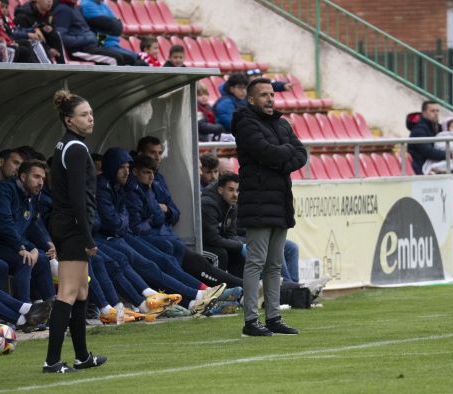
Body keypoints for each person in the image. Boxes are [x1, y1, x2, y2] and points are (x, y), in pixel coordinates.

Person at [95, 147, 225, 314]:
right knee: (147, 263)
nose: (126, 172)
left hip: (125, 234)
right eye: (122, 167)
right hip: (113, 237)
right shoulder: (107, 187)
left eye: (128, 168)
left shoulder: (122, 186)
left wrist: (127, 221)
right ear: (112, 167)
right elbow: (116, 221)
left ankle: (198, 296)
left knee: (165, 258)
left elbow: (164, 214)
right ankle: (196, 295)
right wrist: (127, 221)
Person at [233, 77, 307, 336]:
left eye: (272, 95)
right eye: (263, 95)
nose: (269, 99)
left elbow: (301, 155)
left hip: (280, 201)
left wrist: (280, 157)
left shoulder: (281, 123)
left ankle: (273, 316)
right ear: (251, 99)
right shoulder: (245, 123)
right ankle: (251, 321)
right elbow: (267, 152)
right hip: (257, 201)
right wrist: (283, 155)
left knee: (274, 264)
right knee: (256, 262)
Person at [43, 89, 106, 373]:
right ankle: (52, 361)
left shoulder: (67, 145)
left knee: (81, 292)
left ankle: (82, 357)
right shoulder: (77, 148)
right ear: (69, 120)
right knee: (67, 293)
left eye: (91, 113)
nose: (90, 118)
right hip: (72, 228)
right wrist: (88, 238)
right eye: (84, 114)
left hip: (67, 225)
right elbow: (79, 199)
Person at [125, 155, 243, 289]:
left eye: (153, 173)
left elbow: (174, 213)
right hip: (160, 240)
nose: (151, 177)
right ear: (135, 172)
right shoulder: (133, 192)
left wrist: (163, 213)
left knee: (197, 262)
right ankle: (222, 291)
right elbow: (137, 226)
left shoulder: (152, 187)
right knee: (203, 261)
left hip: (167, 237)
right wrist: (157, 216)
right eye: (147, 172)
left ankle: (240, 288)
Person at [0, 160, 56, 304]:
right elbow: (4, 222)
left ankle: (51, 308)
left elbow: (32, 225)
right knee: (24, 260)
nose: (41, 183)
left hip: (8, 244)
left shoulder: (30, 196)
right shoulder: (4, 190)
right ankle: (23, 312)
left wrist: (47, 245)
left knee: (42, 258)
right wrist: (21, 247)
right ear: (23, 177)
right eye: (36, 177)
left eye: (43, 179)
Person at [52, 0, 130, 65]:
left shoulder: (75, 8)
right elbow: (61, 37)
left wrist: (91, 38)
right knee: (115, 59)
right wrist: (87, 39)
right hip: (79, 50)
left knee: (126, 58)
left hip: (90, 47)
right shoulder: (63, 10)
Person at [408, 101, 453, 175]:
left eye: (437, 111)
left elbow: (452, 147)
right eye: (432, 111)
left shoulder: (438, 127)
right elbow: (428, 152)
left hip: (441, 163)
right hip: (424, 167)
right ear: (424, 113)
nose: (436, 113)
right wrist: (451, 156)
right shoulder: (419, 130)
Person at [81, 0, 143, 65]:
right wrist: (114, 23)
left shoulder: (103, 4)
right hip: (103, 44)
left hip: (114, 44)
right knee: (131, 60)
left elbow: (118, 26)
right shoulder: (87, 4)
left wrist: (114, 24)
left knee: (139, 58)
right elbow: (107, 24)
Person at [136, 136, 179, 227]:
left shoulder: (159, 178)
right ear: (140, 154)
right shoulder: (131, 179)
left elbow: (176, 213)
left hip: (164, 232)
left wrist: (166, 209)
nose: (158, 157)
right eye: (152, 153)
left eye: (160, 153)